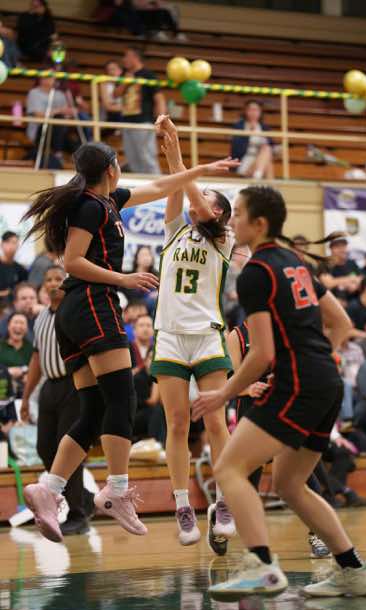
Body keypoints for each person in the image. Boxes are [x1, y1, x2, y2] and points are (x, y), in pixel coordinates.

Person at [21, 139, 237, 544]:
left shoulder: (113, 200)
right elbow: (72, 261)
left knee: (94, 410)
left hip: (85, 310)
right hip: (94, 304)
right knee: (123, 398)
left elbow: (162, 186)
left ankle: (50, 488)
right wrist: (123, 279)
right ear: (111, 169)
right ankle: (118, 491)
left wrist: (186, 163)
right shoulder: (93, 207)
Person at [192, 185, 366, 598]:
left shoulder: (257, 272)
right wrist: (319, 360)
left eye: (239, 213)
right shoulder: (296, 262)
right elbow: (342, 324)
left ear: (259, 223)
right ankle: (354, 570)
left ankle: (261, 566)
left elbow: (261, 353)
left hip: (299, 383)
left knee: (228, 468)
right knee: (290, 484)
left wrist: (223, 394)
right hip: (326, 382)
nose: (232, 220)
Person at [152, 115, 238, 549]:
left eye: (205, 196)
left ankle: (223, 500)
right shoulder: (174, 232)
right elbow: (176, 184)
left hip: (206, 334)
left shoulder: (223, 237)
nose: (197, 199)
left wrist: (179, 151)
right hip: (169, 334)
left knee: (217, 421)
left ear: (218, 211)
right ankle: (183, 504)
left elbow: (193, 197)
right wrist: (169, 148)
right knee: (177, 422)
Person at [227, 320, 332, 561]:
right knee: (247, 483)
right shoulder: (237, 335)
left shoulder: (283, 328)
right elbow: (230, 378)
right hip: (251, 413)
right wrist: (247, 388)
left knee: (302, 474)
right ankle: (226, 522)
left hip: (282, 409)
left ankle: (317, 533)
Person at [20, 266, 91, 536]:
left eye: (58, 279)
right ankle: (83, 497)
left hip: (74, 384)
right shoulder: (40, 318)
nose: (52, 283)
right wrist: (26, 397)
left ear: (67, 283)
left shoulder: (75, 312)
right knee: (44, 447)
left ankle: (78, 514)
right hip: (49, 386)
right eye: (48, 279)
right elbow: (36, 359)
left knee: (68, 449)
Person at [114, 48, 166, 174]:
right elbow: (116, 94)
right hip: (127, 122)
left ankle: (157, 182)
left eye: (127, 56)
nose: (124, 60)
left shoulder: (148, 75)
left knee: (147, 156)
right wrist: (126, 82)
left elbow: (159, 98)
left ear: (135, 57)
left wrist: (161, 120)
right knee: (132, 158)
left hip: (143, 122)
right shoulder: (124, 74)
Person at [26, 74, 73, 168]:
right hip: (40, 130)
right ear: (41, 79)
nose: (51, 79)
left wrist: (70, 112)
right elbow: (38, 115)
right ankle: (58, 153)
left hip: (60, 131)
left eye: (52, 77)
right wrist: (58, 111)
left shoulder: (60, 94)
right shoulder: (34, 93)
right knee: (57, 119)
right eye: (48, 77)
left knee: (64, 122)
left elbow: (66, 114)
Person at [231, 100, 274, 180]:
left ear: (260, 112)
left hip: (261, 158)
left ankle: (257, 176)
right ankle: (260, 178)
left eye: (256, 110)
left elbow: (271, 145)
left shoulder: (264, 127)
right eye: (251, 109)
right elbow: (236, 149)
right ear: (246, 111)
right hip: (245, 159)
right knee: (267, 160)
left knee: (267, 151)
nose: (253, 112)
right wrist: (249, 133)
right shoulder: (239, 126)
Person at [318, 237, 361, 303]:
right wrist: (350, 279)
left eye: (344, 246)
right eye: (338, 247)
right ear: (331, 249)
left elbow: (361, 279)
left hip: (353, 301)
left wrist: (355, 285)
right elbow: (328, 284)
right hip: (333, 302)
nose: (342, 250)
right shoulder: (325, 264)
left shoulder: (352, 263)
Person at [0, 313, 33, 398]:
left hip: (26, 394)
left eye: (22, 323)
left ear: (27, 328)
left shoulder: (32, 348)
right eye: (15, 322)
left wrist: (27, 375)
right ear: (8, 326)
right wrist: (7, 372)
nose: (18, 326)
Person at [0, 231, 28, 305]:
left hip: (13, 305)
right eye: (8, 242)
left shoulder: (21, 269)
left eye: (14, 243)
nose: (11, 246)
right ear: (1, 244)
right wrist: (4, 293)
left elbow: (23, 289)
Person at [100, 61, 123, 125]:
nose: (111, 72)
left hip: (123, 115)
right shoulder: (104, 84)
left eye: (114, 69)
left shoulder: (125, 83)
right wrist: (126, 109)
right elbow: (108, 107)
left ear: (120, 71)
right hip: (109, 117)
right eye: (109, 70)